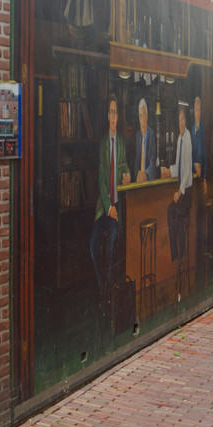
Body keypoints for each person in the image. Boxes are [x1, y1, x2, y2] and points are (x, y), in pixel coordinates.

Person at [91, 95, 132, 303]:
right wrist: (108, 208)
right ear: (107, 116)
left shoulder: (122, 143)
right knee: (93, 245)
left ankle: (108, 287)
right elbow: (100, 179)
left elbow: (124, 165)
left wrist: (127, 173)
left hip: (118, 207)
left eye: (116, 112)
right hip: (105, 208)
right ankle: (101, 285)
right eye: (111, 112)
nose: (114, 116)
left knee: (113, 241)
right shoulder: (102, 144)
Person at [164, 104, 194, 294]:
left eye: (183, 120)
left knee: (175, 214)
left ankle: (181, 255)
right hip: (181, 189)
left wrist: (180, 191)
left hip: (188, 191)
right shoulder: (179, 139)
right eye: (179, 121)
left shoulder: (188, 137)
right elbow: (179, 166)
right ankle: (176, 254)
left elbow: (188, 168)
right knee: (170, 212)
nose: (181, 124)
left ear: (186, 121)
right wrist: (168, 170)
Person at [133, 98, 158, 183]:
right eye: (140, 115)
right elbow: (136, 161)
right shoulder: (137, 136)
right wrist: (137, 176)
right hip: (139, 179)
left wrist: (146, 175)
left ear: (147, 117)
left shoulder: (151, 134)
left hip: (149, 178)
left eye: (144, 115)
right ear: (138, 118)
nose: (142, 119)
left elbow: (153, 158)